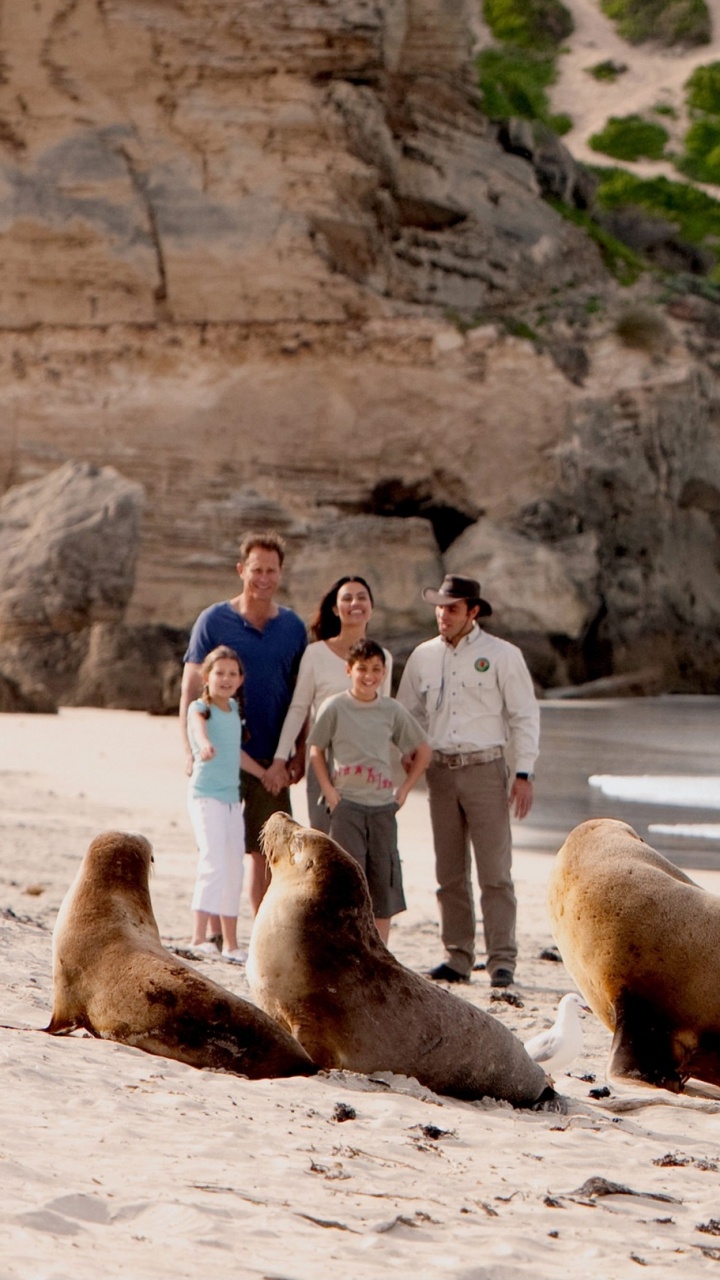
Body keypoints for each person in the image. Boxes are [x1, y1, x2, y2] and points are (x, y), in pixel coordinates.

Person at [396, 573, 539, 988]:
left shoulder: (502, 655)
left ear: (473, 612)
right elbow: (408, 712)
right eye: (439, 607)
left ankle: (501, 960)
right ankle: (457, 956)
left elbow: (524, 715)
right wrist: (408, 751)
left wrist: (524, 773)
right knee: (449, 872)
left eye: (452, 608)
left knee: (495, 871)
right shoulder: (423, 656)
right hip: (439, 772)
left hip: (486, 770)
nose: (443, 615)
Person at [180, 531, 307, 921]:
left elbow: (302, 698)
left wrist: (296, 755)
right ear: (241, 570)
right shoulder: (214, 620)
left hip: (273, 760)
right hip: (220, 758)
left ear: (281, 574)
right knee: (222, 849)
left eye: (272, 570)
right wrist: (189, 751)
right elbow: (189, 692)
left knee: (268, 854)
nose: (264, 578)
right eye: (256, 569)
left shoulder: (293, 628)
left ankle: (261, 932)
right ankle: (217, 930)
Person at [309, 638, 431, 944]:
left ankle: (380, 951)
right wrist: (330, 791)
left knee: (383, 879)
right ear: (349, 670)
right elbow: (316, 750)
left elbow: (423, 750)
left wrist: (403, 790)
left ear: (384, 672)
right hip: (346, 805)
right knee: (347, 880)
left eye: (376, 669)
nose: (369, 675)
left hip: (382, 808)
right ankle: (347, 947)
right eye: (362, 668)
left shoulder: (390, 709)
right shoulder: (334, 706)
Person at [274, 575, 392, 833]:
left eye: (362, 597)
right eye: (347, 598)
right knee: (325, 842)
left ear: (371, 607)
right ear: (335, 609)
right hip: (322, 762)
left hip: (366, 766)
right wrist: (281, 758)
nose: (355, 603)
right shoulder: (316, 654)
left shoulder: (384, 659)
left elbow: (383, 716)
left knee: (361, 848)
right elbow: (299, 708)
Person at [186, 646, 267, 962]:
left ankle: (231, 945)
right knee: (212, 860)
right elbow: (198, 730)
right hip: (206, 797)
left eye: (233, 674)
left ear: (241, 679)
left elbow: (237, 753)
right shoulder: (200, 708)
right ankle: (198, 937)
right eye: (220, 673)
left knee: (234, 865)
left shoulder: (233, 708)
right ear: (206, 676)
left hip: (232, 801)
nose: (226, 679)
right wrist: (203, 745)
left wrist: (264, 774)